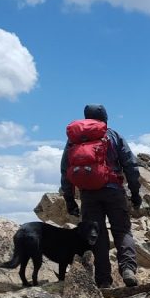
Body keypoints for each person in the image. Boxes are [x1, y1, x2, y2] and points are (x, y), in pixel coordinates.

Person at [60, 104, 142, 287]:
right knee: (122, 230)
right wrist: (135, 193)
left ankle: (103, 280)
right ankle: (127, 269)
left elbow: (65, 170)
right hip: (114, 191)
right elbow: (130, 165)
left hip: (89, 195)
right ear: (105, 118)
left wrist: (69, 199)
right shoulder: (113, 135)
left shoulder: (75, 140)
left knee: (97, 236)